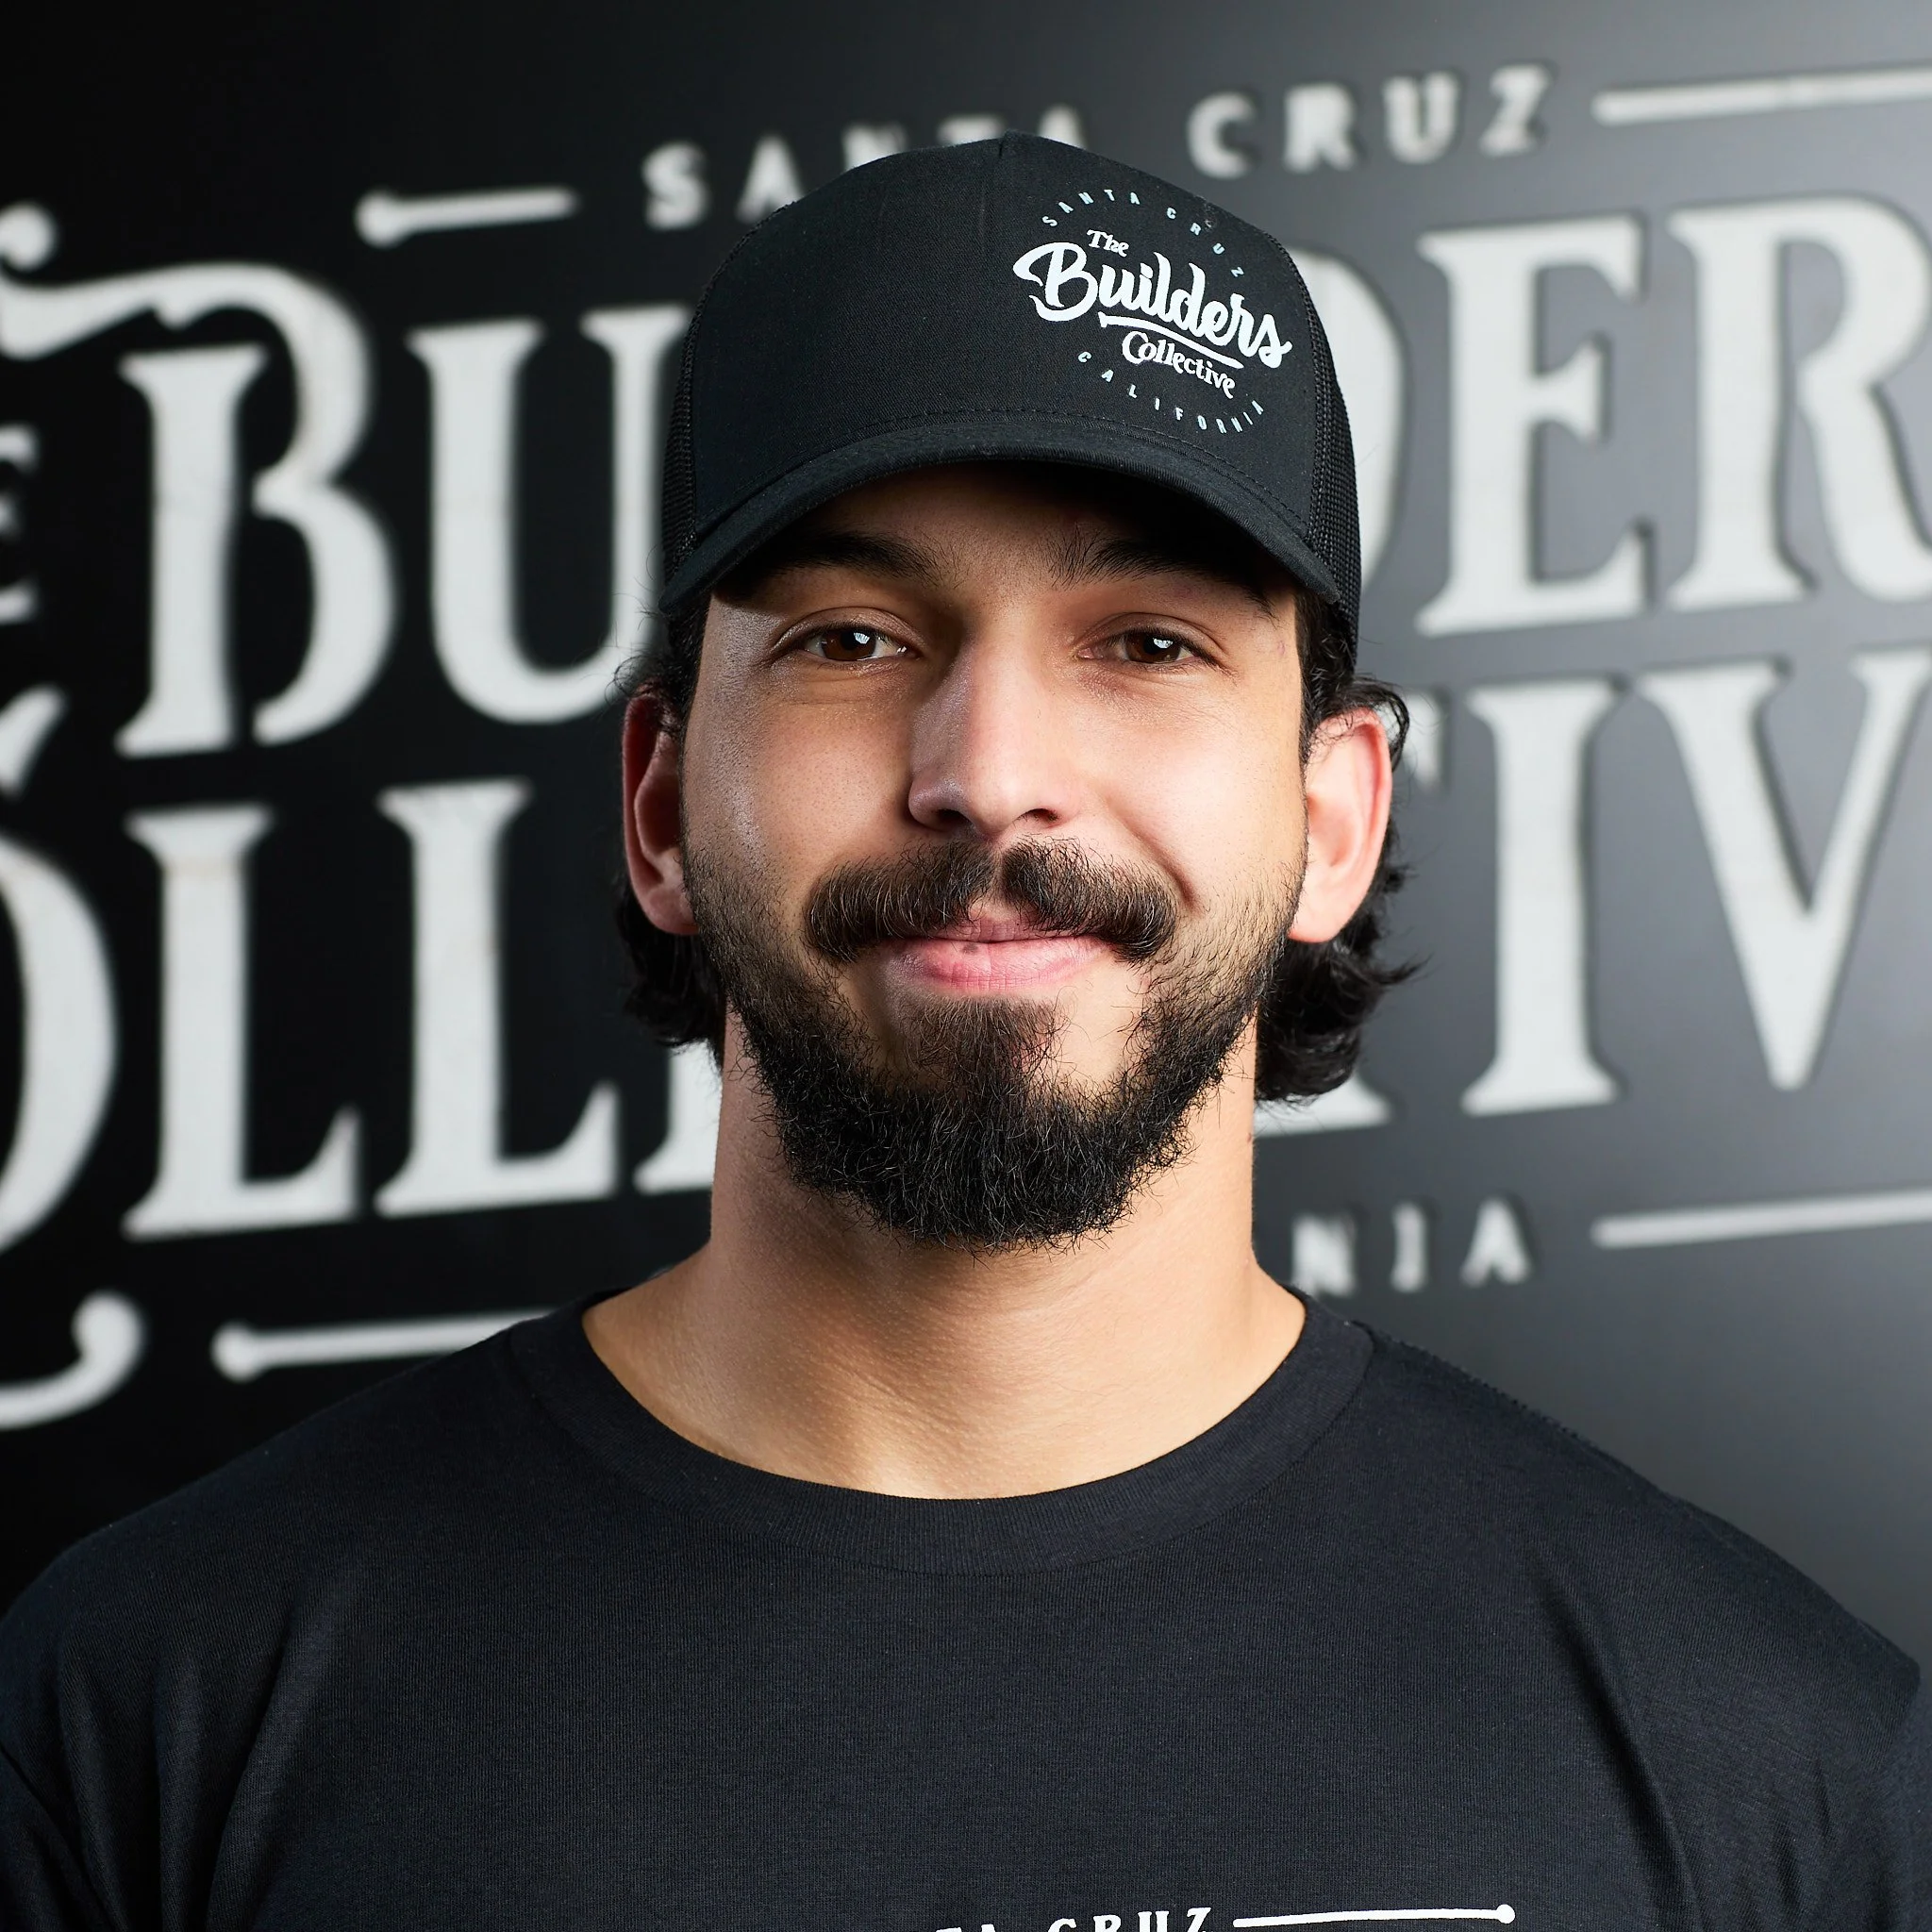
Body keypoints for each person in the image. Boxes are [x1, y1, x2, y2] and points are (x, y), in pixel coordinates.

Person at [2, 133, 1925, 1932]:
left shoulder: (1780, 1768)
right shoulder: (143, 1711)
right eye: (852, 640)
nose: (990, 775)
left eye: (1148, 644)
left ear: (1336, 816)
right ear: (662, 805)